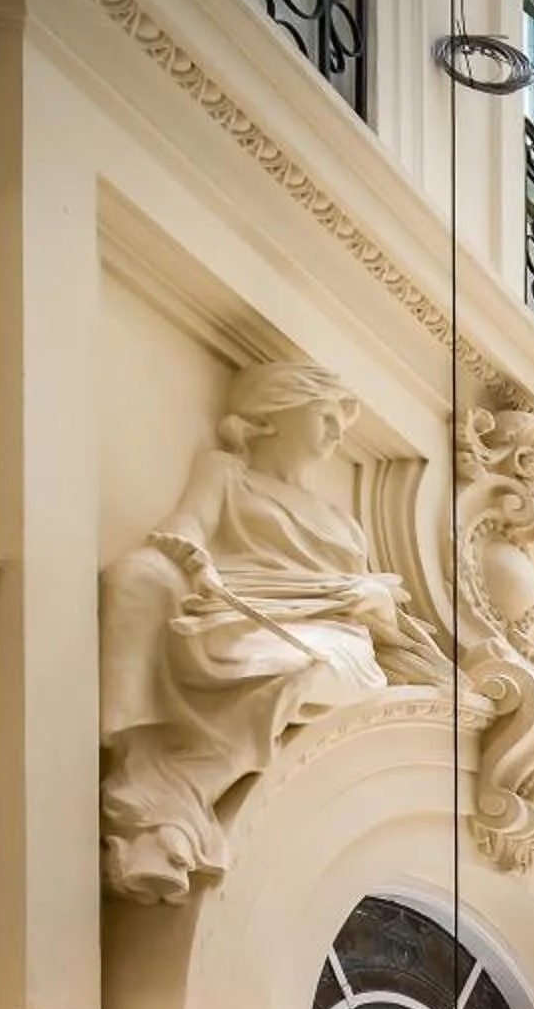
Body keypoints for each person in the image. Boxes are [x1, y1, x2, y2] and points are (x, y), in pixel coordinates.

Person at [100, 362, 444, 902]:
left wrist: (375, 601)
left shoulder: (342, 519)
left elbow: (379, 608)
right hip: (237, 605)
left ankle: (175, 806)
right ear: (273, 416)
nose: (335, 431)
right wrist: (188, 554)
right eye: (324, 415)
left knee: (304, 669)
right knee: (141, 577)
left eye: (338, 419)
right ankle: (161, 800)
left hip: (331, 632)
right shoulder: (226, 472)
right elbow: (188, 522)